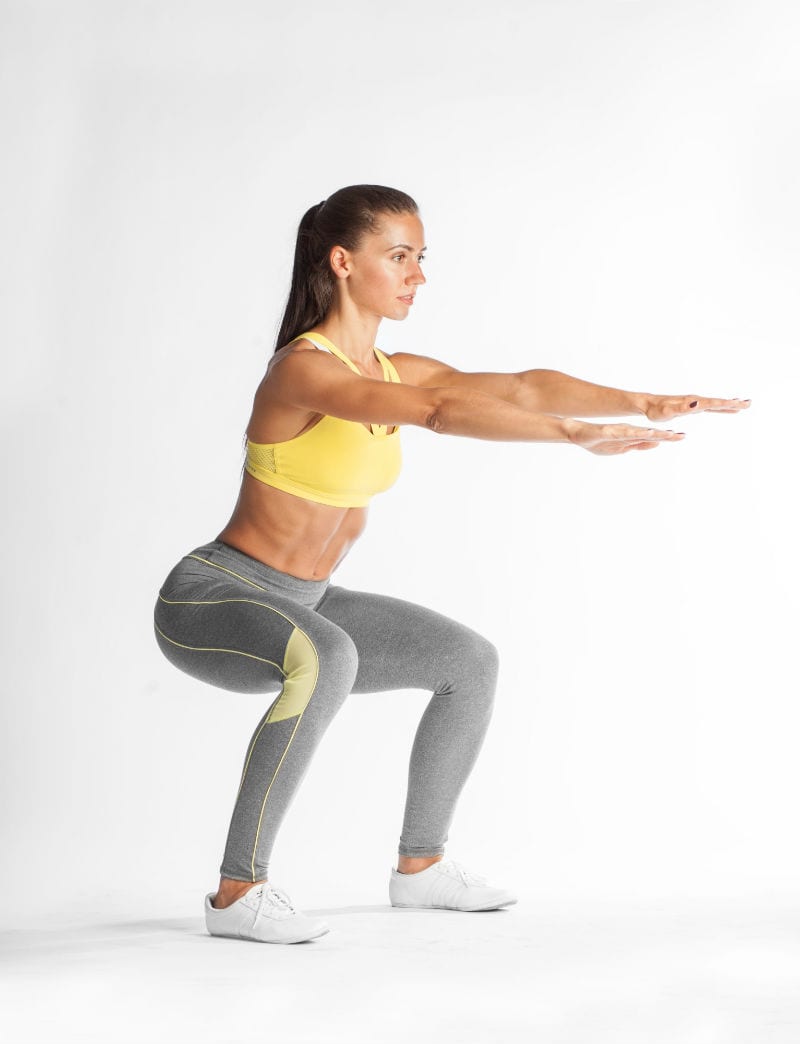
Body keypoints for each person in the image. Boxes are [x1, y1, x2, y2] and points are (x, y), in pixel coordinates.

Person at [153, 184, 750, 945]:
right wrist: (570, 435)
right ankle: (239, 891)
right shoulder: (301, 372)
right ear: (342, 262)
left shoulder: (396, 368)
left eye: (420, 259)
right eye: (398, 257)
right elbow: (439, 416)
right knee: (327, 654)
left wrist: (640, 402)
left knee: (468, 660)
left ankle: (422, 867)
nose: (417, 276)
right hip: (212, 598)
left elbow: (521, 386)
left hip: (307, 599)